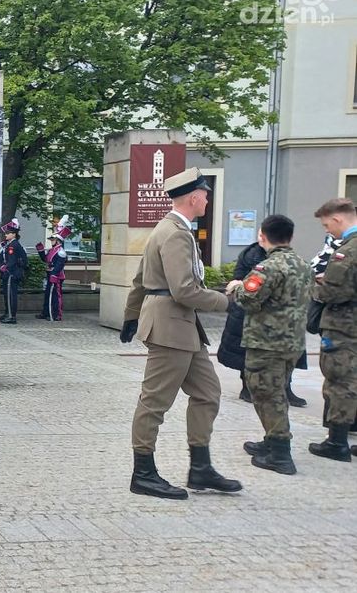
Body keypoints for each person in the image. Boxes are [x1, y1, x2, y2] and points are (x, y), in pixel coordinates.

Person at [120, 168, 240, 500]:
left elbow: (141, 280)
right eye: (204, 194)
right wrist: (226, 302)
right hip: (171, 326)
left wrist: (131, 316)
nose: (207, 198)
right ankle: (142, 473)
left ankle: (200, 467)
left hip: (182, 327)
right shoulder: (175, 233)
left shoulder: (171, 229)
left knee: (207, 393)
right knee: (155, 401)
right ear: (193, 197)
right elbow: (184, 290)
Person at [225, 214, 312, 475]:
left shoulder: (268, 267)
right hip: (292, 342)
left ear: (262, 236)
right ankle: (272, 440)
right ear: (291, 236)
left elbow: (249, 298)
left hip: (267, 343)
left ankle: (280, 454)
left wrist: (236, 286)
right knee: (278, 392)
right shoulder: (303, 264)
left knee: (266, 394)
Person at [217, 242, 309, 406]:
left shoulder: (291, 260)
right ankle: (248, 388)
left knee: (284, 358)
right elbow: (243, 285)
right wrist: (239, 287)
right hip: (250, 314)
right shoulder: (253, 256)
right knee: (248, 356)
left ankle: (285, 389)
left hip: (285, 318)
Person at [306, 198, 357, 461]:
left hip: (344, 328)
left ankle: (337, 442)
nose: (328, 231)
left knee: (340, 382)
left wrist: (317, 285)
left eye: (327, 225)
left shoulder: (346, 252)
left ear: (338, 219)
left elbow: (334, 293)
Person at [36, 216, 70, 321]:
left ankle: (57, 314)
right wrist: (41, 251)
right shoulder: (52, 249)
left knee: (56, 296)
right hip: (50, 274)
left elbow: (59, 265)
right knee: (48, 295)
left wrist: (54, 274)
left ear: (58, 241)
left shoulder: (60, 251)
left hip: (57, 276)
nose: (51, 241)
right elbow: (46, 260)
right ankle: (46, 312)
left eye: (53, 239)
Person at [0, 218, 27, 324]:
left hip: (12, 273)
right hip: (9, 273)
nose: (5, 235)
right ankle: (8, 313)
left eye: (8, 233)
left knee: (11, 295)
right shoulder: (9, 244)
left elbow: (12, 261)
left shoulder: (14, 245)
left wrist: (6, 267)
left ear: (14, 234)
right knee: (7, 294)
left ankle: (11, 316)